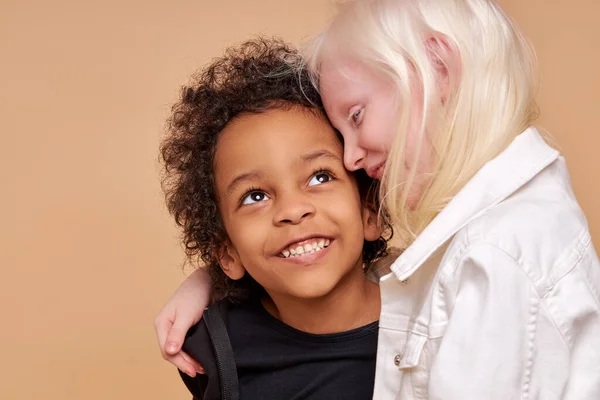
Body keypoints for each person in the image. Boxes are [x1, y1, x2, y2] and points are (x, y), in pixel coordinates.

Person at [156, 0, 600, 398]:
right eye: (255, 196)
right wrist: (215, 278)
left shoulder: (495, 256)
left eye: (356, 115)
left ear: (439, 69)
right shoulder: (219, 349)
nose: (352, 156)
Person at [160, 38, 394, 399]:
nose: (292, 210)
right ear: (226, 251)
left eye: (320, 177)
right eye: (255, 196)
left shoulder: (437, 314)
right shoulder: (215, 349)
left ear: (369, 210)